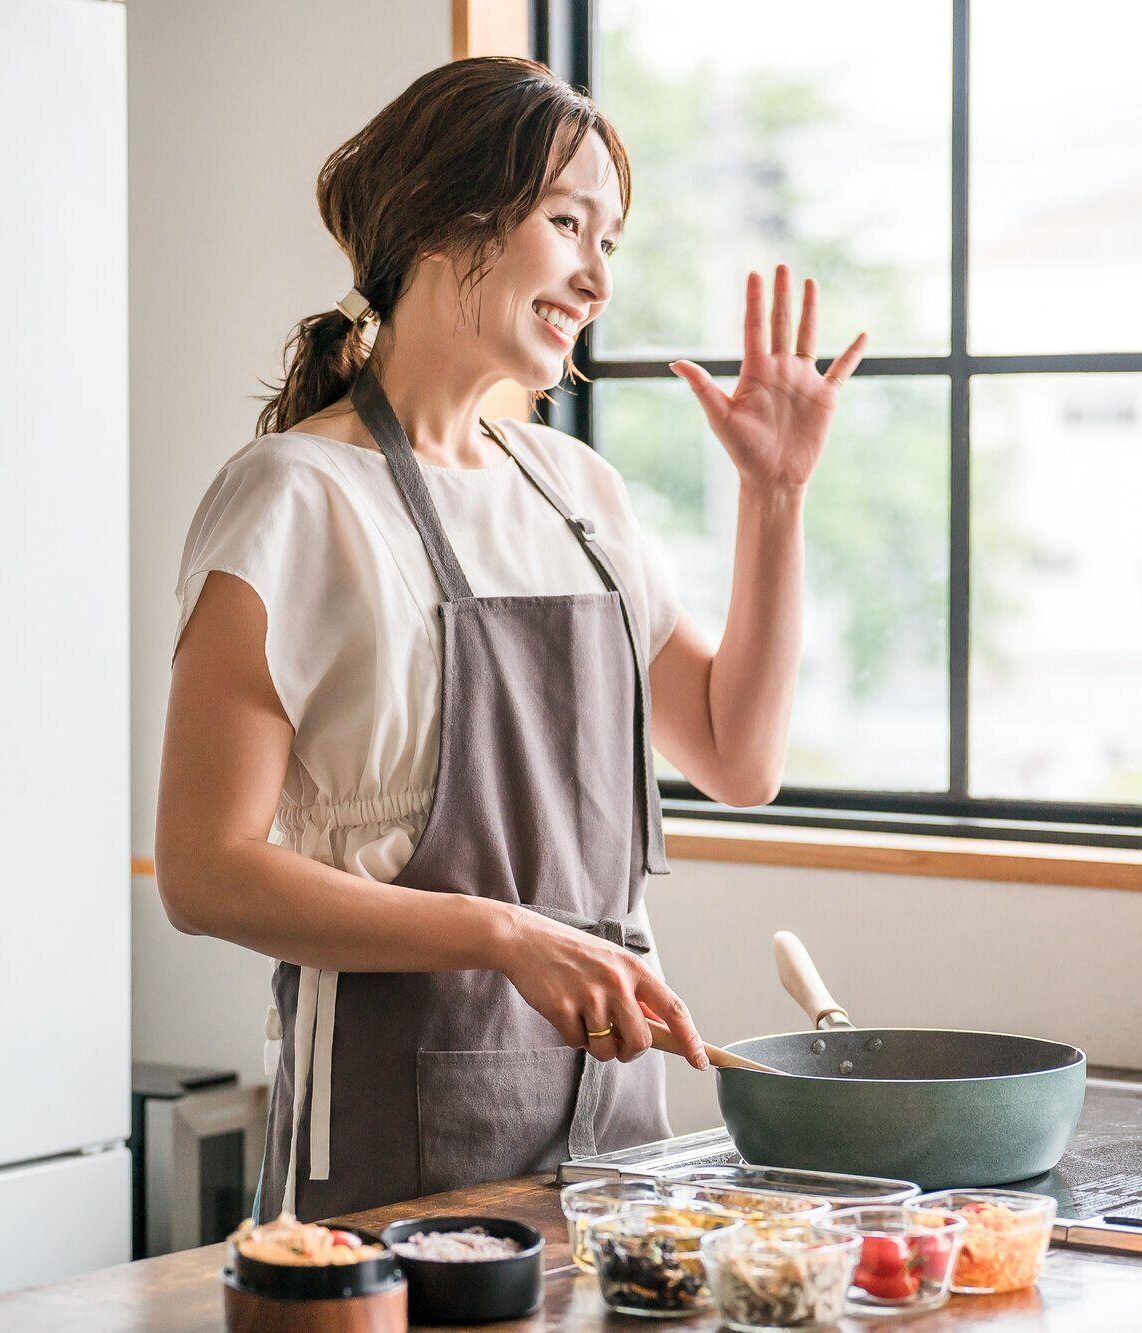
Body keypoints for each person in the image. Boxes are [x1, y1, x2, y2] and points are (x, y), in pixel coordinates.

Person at [154, 56, 868, 1221]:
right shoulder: (292, 495)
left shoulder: (574, 490)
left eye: (611, 240)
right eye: (565, 222)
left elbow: (739, 759)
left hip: (612, 1122)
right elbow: (203, 869)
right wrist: (503, 935)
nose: (594, 275)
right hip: (387, 1133)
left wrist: (774, 497)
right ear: (443, 219)